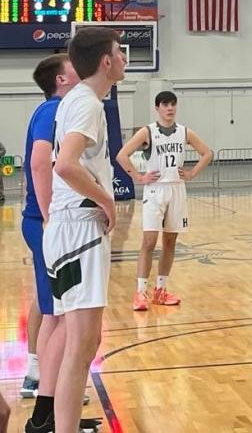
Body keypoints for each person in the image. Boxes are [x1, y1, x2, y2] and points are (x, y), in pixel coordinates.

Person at [44, 27, 126, 433]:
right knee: (80, 346)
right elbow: (65, 164)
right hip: (78, 228)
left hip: (71, 227)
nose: (125, 58)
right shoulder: (88, 104)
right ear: (106, 61)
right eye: (120, 52)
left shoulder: (77, 100)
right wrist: (106, 200)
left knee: (84, 344)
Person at [20, 55, 82, 433]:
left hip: (45, 221)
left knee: (53, 309)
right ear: (61, 79)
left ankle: (53, 399)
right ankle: (44, 410)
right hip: (45, 221)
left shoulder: (61, 108)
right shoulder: (53, 109)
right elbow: (40, 163)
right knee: (57, 314)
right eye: (72, 64)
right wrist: (49, 215)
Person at [117, 91, 213, 311]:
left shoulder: (184, 132)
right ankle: (140, 292)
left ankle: (160, 290)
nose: (170, 108)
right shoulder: (147, 131)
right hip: (155, 191)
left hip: (177, 190)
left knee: (170, 242)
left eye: (173, 104)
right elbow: (122, 155)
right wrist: (139, 177)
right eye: (165, 105)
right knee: (149, 242)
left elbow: (207, 153)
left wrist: (192, 173)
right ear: (157, 108)